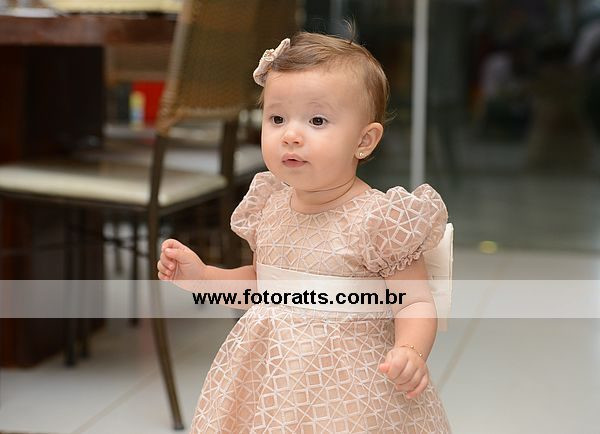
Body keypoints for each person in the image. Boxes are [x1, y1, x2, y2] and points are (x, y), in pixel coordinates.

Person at [157, 31, 451, 433]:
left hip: (354, 394)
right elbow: (261, 286)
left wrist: (410, 350)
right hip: (272, 384)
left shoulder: (379, 221)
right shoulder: (270, 207)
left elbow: (413, 301)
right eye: (277, 119)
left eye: (317, 121)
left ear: (364, 140)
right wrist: (203, 278)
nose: (290, 135)